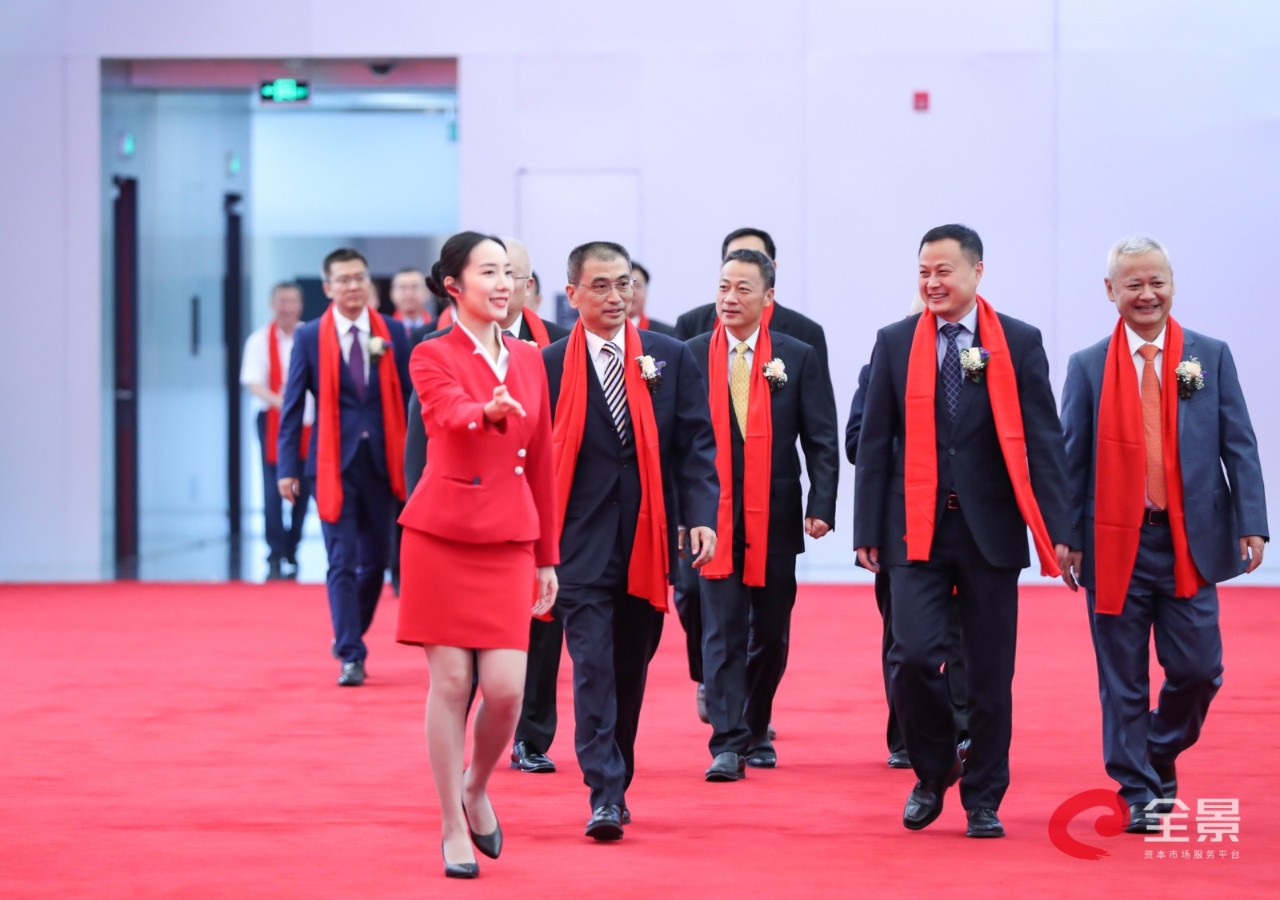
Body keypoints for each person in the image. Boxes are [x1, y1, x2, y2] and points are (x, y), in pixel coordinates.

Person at [853, 224, 1072, 839]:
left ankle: (984, 798)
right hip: (914, 529)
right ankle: (934, 769)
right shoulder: (895, 342)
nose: (932, 282)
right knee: (913, 657)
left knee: (990, 672)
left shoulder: (1019, 342)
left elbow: (1044, 441)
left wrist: (1059, 529)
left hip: (990, 531)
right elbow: (874, 443)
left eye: (943, 271)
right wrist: (867, 527)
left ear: (977, 272)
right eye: (924, 272)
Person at [1059, 235, 1267, 834]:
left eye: (1157, 282)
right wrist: (1066, 536)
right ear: (1111, 291)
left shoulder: (1209, 355)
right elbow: (1071, 460)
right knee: (1121, 679)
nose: (1147, 294)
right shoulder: (1088, 365)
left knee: (1200, 670)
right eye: (1134, 285)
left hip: (1188, 542)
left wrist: (1252, 521)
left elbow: (1239, 445)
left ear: (1172, 285)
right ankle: (1139, 790)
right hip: (1113, 542)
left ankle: (1157, 747)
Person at [395, 231, 559, 879]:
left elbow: (541, 463)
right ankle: (450, 824)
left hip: (510, 540)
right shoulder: (430, 353)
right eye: (487, 272)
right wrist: (485, 411)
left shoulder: (530, 359)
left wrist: (547, 557)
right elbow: (445, 412)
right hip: (441, 536)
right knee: (453, 683)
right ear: (453, 285)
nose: (502, 283)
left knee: (507, 691)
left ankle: (476, 785)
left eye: (508, 273)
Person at [543, 240, 718, 840]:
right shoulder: (547, 365)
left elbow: (695, 443)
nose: (616, 296)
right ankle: (605, 794)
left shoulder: (669, 355)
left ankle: (618, 775)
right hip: (578, 546)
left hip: (648, 543)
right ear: (573, 295)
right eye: (601, 286)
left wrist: (701, 515)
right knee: (592, 668)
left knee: (628, 669)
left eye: (623, 284)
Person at [688, 249, 839, 779]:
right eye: (723, 287)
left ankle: (755, 725)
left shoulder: (796, 357)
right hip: (711, 518)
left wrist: (822, 504)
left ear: (768, 296)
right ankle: (727, 742)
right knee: (722, 630)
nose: (729, 298)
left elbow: (822, 437)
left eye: (743, 289)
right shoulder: (690, 355)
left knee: (770, 634)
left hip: (775, 515)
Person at [277, 248, 411, 687]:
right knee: (341, 558)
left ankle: (349, 631)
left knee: (376, 562)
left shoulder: (391, 331)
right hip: (332, 463)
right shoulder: (310, 337)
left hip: (383, 462)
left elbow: (410, 398)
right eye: (344, 279)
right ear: (328, 287)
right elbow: (293, 405)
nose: (353, 286)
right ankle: (351, 653)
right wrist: (287, 467)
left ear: (368, 283)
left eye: (359, 278)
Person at [846, 302, 969, 770]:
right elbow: (858, 441)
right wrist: (915, 446)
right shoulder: (883, 365)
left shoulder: (979, 361)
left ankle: (963, 730)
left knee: (963, 632)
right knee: (905, 638)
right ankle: (905, 734)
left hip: (967, 521)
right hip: (903, 523)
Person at [240, 281, 313, 580]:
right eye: (282, 301)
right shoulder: (259, 340)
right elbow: (253, 381)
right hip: (272, 419)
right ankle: (274, 551)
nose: (287, 307)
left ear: (300, 305)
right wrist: (283, 402)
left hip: (309, 420)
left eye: (293, 301)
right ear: (273, 305)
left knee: (304, 487)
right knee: (272, 488)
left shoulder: (311, 335)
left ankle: (293, 545)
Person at [628, 262, 676, 335]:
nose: (632, 291)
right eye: (624, 285)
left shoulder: (668, 334)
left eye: (637, 285)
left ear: (646, 292)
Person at [390, 267, 433, 332]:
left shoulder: (438, 326)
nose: (409, 294)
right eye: (402, 287)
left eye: (415, 287)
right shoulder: (386, 329)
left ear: (427, 292)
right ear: (392, 293)